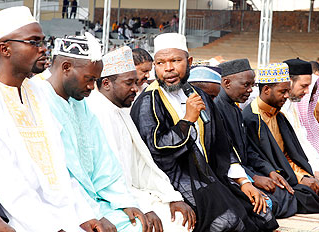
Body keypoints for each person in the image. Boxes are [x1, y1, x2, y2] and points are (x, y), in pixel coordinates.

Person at [131, 33, 278, 232]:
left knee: (262, 212)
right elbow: (156, 151)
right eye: (160, 63)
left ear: (189, 61)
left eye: (175, 61)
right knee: (228, 221)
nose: (168, 69)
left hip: (211, 176)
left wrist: (243, 181)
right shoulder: (149, 101)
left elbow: (222, 144)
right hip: (176, 181)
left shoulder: (198, 94)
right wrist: (187, 120)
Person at [0, 6, 101, 231]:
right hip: (12, 217)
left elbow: (58, 163)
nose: (43, 49)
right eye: (34, 42)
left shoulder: (36, 91)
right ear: (5, 49)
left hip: (60, 213)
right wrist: (51, 227)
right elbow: (5, 178)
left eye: (43, 41)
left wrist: (84, 214)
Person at [37, 33, 147, 232]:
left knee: (138, 224)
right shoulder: (38, 97)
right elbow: (56, 174)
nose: (91, 87)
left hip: (92, 199)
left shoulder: (81, 104)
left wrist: (123, 201)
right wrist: (92, 214)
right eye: (89, 79)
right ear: (66, 67)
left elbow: (104, 161)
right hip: (61, 205)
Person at [87, 46, 196, 232]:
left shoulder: (118, 111)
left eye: (135, 83)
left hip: (130, 192)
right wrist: (145, 207)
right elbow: (108, 177)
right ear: (106, 84)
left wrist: (171, 196)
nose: (136, 89)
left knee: (181, 218)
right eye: (129, 83)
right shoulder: (97, 113)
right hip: (107, 199)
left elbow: (141, 164)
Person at [243, 63, 319, 214]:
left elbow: (291, 155)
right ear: (266, 90)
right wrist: (298, 178)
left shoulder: (279, 116)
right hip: (271, 177)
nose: (286, 96)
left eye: (288, 91)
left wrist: (303, 175)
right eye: (282, 91)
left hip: (289, 174)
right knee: (299, 197)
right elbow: (255, 160)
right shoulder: (251, 118)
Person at [215, 58, 297, 218]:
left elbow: (248, 151)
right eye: (246, 85)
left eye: (252, 85)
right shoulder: (217, 109)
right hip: (232, 177)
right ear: (226, 82)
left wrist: (269, 171)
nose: (251, 90)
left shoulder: (235, 109)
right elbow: (225, 157)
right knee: (269, 205)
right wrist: (252, 178)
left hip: (247, 172)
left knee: (285, 194)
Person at [281, 58, 319, 186]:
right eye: (304, 86)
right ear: (288, 83)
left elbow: (304, 141)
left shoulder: (292, 106)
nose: (307, 92)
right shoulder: (280, 110)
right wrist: (311, 172)